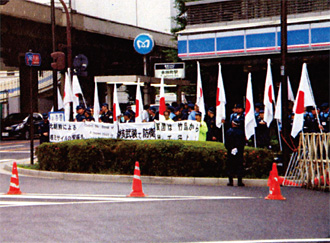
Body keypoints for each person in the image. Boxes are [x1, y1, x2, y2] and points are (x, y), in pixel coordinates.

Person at [225, 118, 246, 186]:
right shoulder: (241, 132)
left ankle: (230, 181)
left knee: (230, 166)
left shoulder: (229, 131)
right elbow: (243, 143)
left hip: (230, 151)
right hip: (239, 152)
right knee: (239, 166)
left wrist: (230, 148)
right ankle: (239, 181)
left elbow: (226, 142)